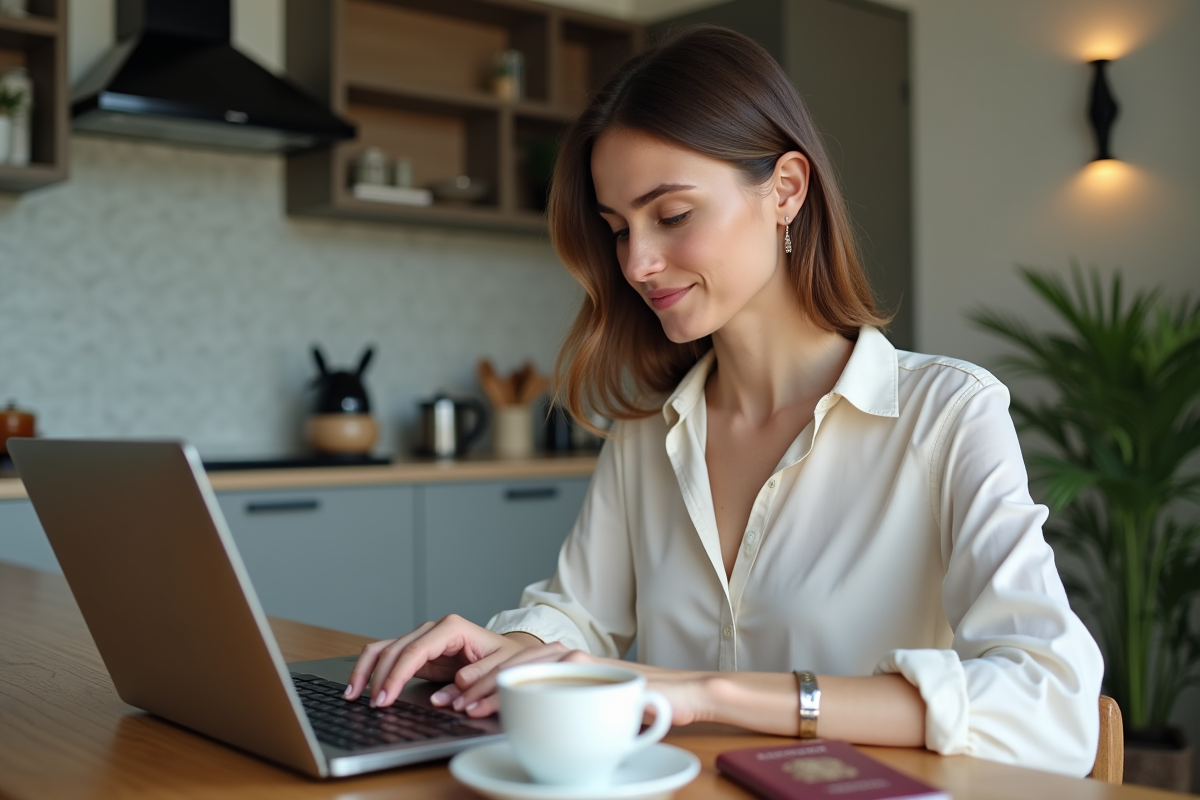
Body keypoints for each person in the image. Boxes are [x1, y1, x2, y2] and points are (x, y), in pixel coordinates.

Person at [345, 26, 1104, 776]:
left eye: (672, 216)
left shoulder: (948, 415)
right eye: (618, 229)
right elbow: (580, 614)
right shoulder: (647, 432)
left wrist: (710, 694)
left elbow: (1051, 702)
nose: (637, 263)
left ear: (786, 191)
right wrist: (510, 649)